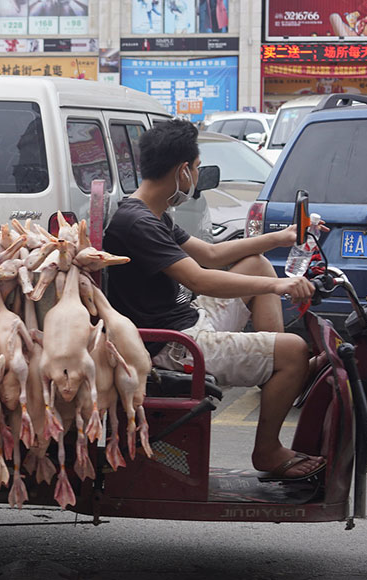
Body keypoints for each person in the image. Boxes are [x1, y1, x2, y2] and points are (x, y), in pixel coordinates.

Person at [102, 118, 325, 481]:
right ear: (182, 171)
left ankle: (276, 367)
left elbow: (210, 253)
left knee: (257, 265)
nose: (196, 173)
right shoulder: (138, 223)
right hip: (171, 348)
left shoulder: (150, 213)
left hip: (186, 322)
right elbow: (200, 278)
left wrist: (280, 238)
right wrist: (279, 287)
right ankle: (268, 449)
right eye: (196, 167)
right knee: (295, 350)